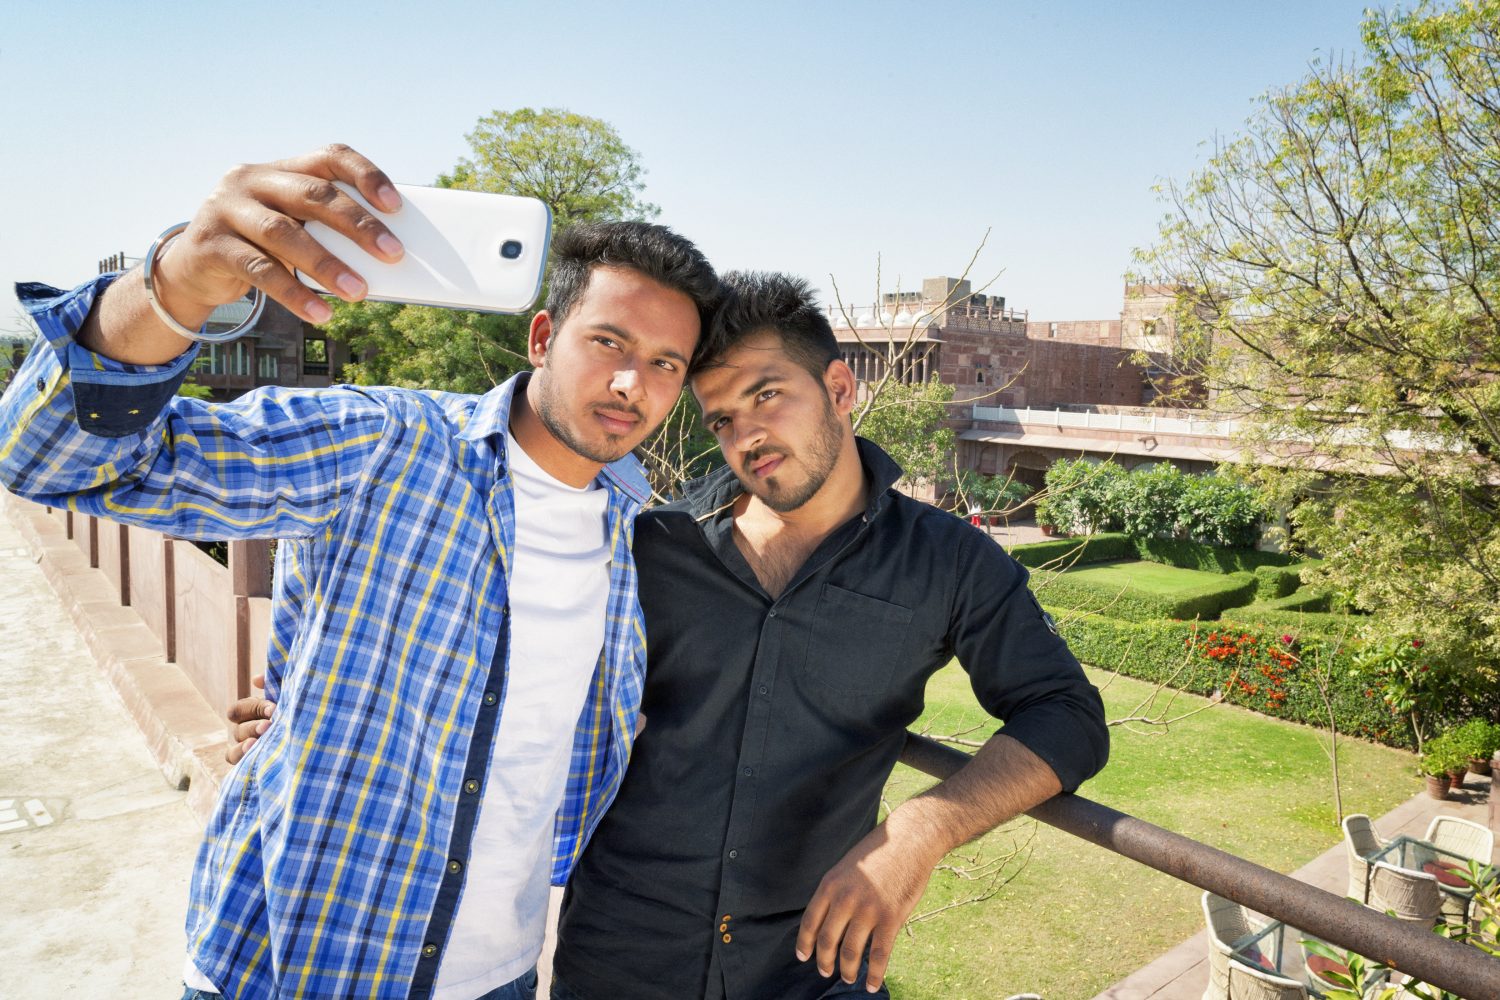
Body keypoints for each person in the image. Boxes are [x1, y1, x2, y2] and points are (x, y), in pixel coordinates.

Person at [230, 272, 1110, 998]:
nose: (747, 437)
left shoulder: (949, 561)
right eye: (721, 418)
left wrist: (919, 834)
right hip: (619, 959)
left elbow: (1065, 715)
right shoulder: (647, 545)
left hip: (813, 967)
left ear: (840, 389)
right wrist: (308, 720)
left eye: (769, 397)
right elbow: (499, 657)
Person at [0, 145, 720, 1000]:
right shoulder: (383, 443)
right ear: (541, 335)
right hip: (301, 963)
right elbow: (50, 463)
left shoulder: (640, 531)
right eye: (609, 341)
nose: (632, 382)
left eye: (666, 363)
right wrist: (177, 283)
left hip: (501, 973)